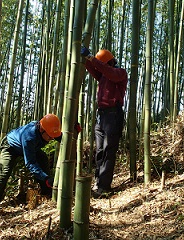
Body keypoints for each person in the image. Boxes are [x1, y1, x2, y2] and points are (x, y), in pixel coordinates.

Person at [0, 114, 62, 214]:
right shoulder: (29, 137)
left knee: (43, 158)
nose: (51, 139)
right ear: (42, 130)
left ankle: (46, 192)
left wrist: (74, 132)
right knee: (4, 173)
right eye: (50, 136)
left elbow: (61, 136)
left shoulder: (47, 130)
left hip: (26, 147)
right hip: (10, 147)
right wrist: (45, 178)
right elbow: (30, 163)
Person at [81, 46, 128, 198]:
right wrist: (83, 56)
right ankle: (98, 182)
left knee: (108, 151)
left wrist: (91, 58)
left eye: (102, 64)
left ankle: (104, 187)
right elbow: (93, 69)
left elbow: (107, 71)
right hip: (101, 116)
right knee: (100, 151)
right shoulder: (103, 75)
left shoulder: (119, 73)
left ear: (108, 62)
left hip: (113, 116)